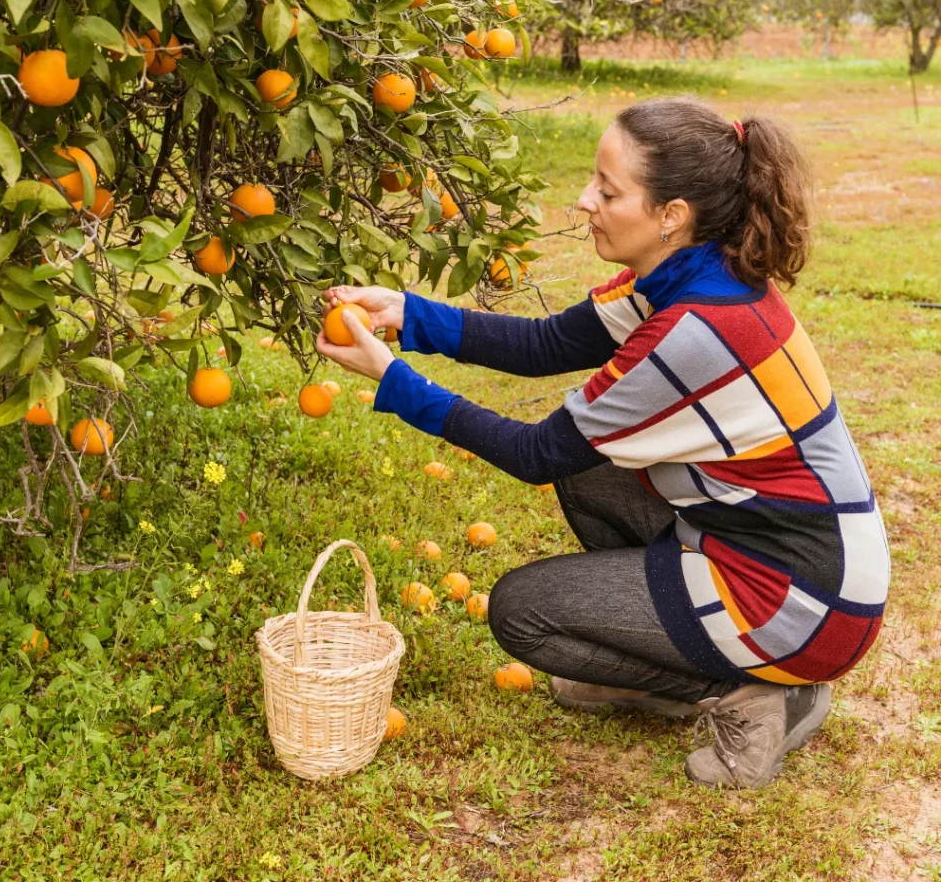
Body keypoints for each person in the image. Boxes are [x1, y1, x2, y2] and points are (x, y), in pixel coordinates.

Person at [316, 97, 890, 790]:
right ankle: (727, 662)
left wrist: (392, 378)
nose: (585, 199)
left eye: (609, 190)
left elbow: (533, 453)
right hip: (781, 549)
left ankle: (751, 692)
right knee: (587, 470)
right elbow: (548, 343)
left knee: (522, 613)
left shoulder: (698, 332)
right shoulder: (686, 273)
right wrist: (410, 315)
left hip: (807, 600)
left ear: (670, 215)